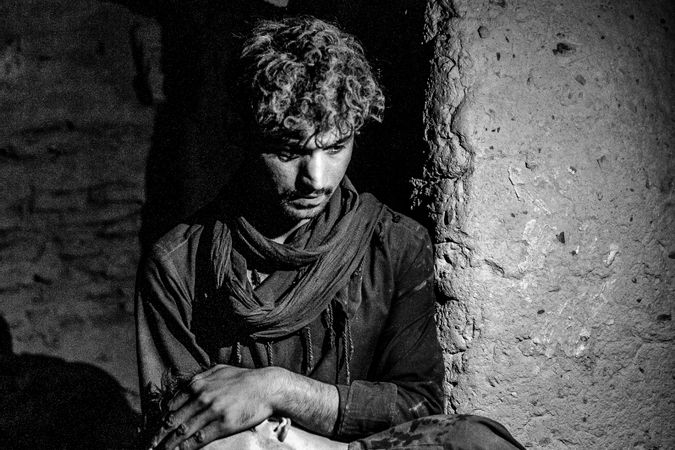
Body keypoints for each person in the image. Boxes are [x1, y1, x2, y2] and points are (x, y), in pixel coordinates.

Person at [135, 16, 525, 450]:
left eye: (336, 147)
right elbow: (182, 430)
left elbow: (418, 406)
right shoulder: (179, 266)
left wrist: (278, 388)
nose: (317, 179)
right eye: (288, 151)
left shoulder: (395, 244)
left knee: (473, 441)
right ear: (244, 137)